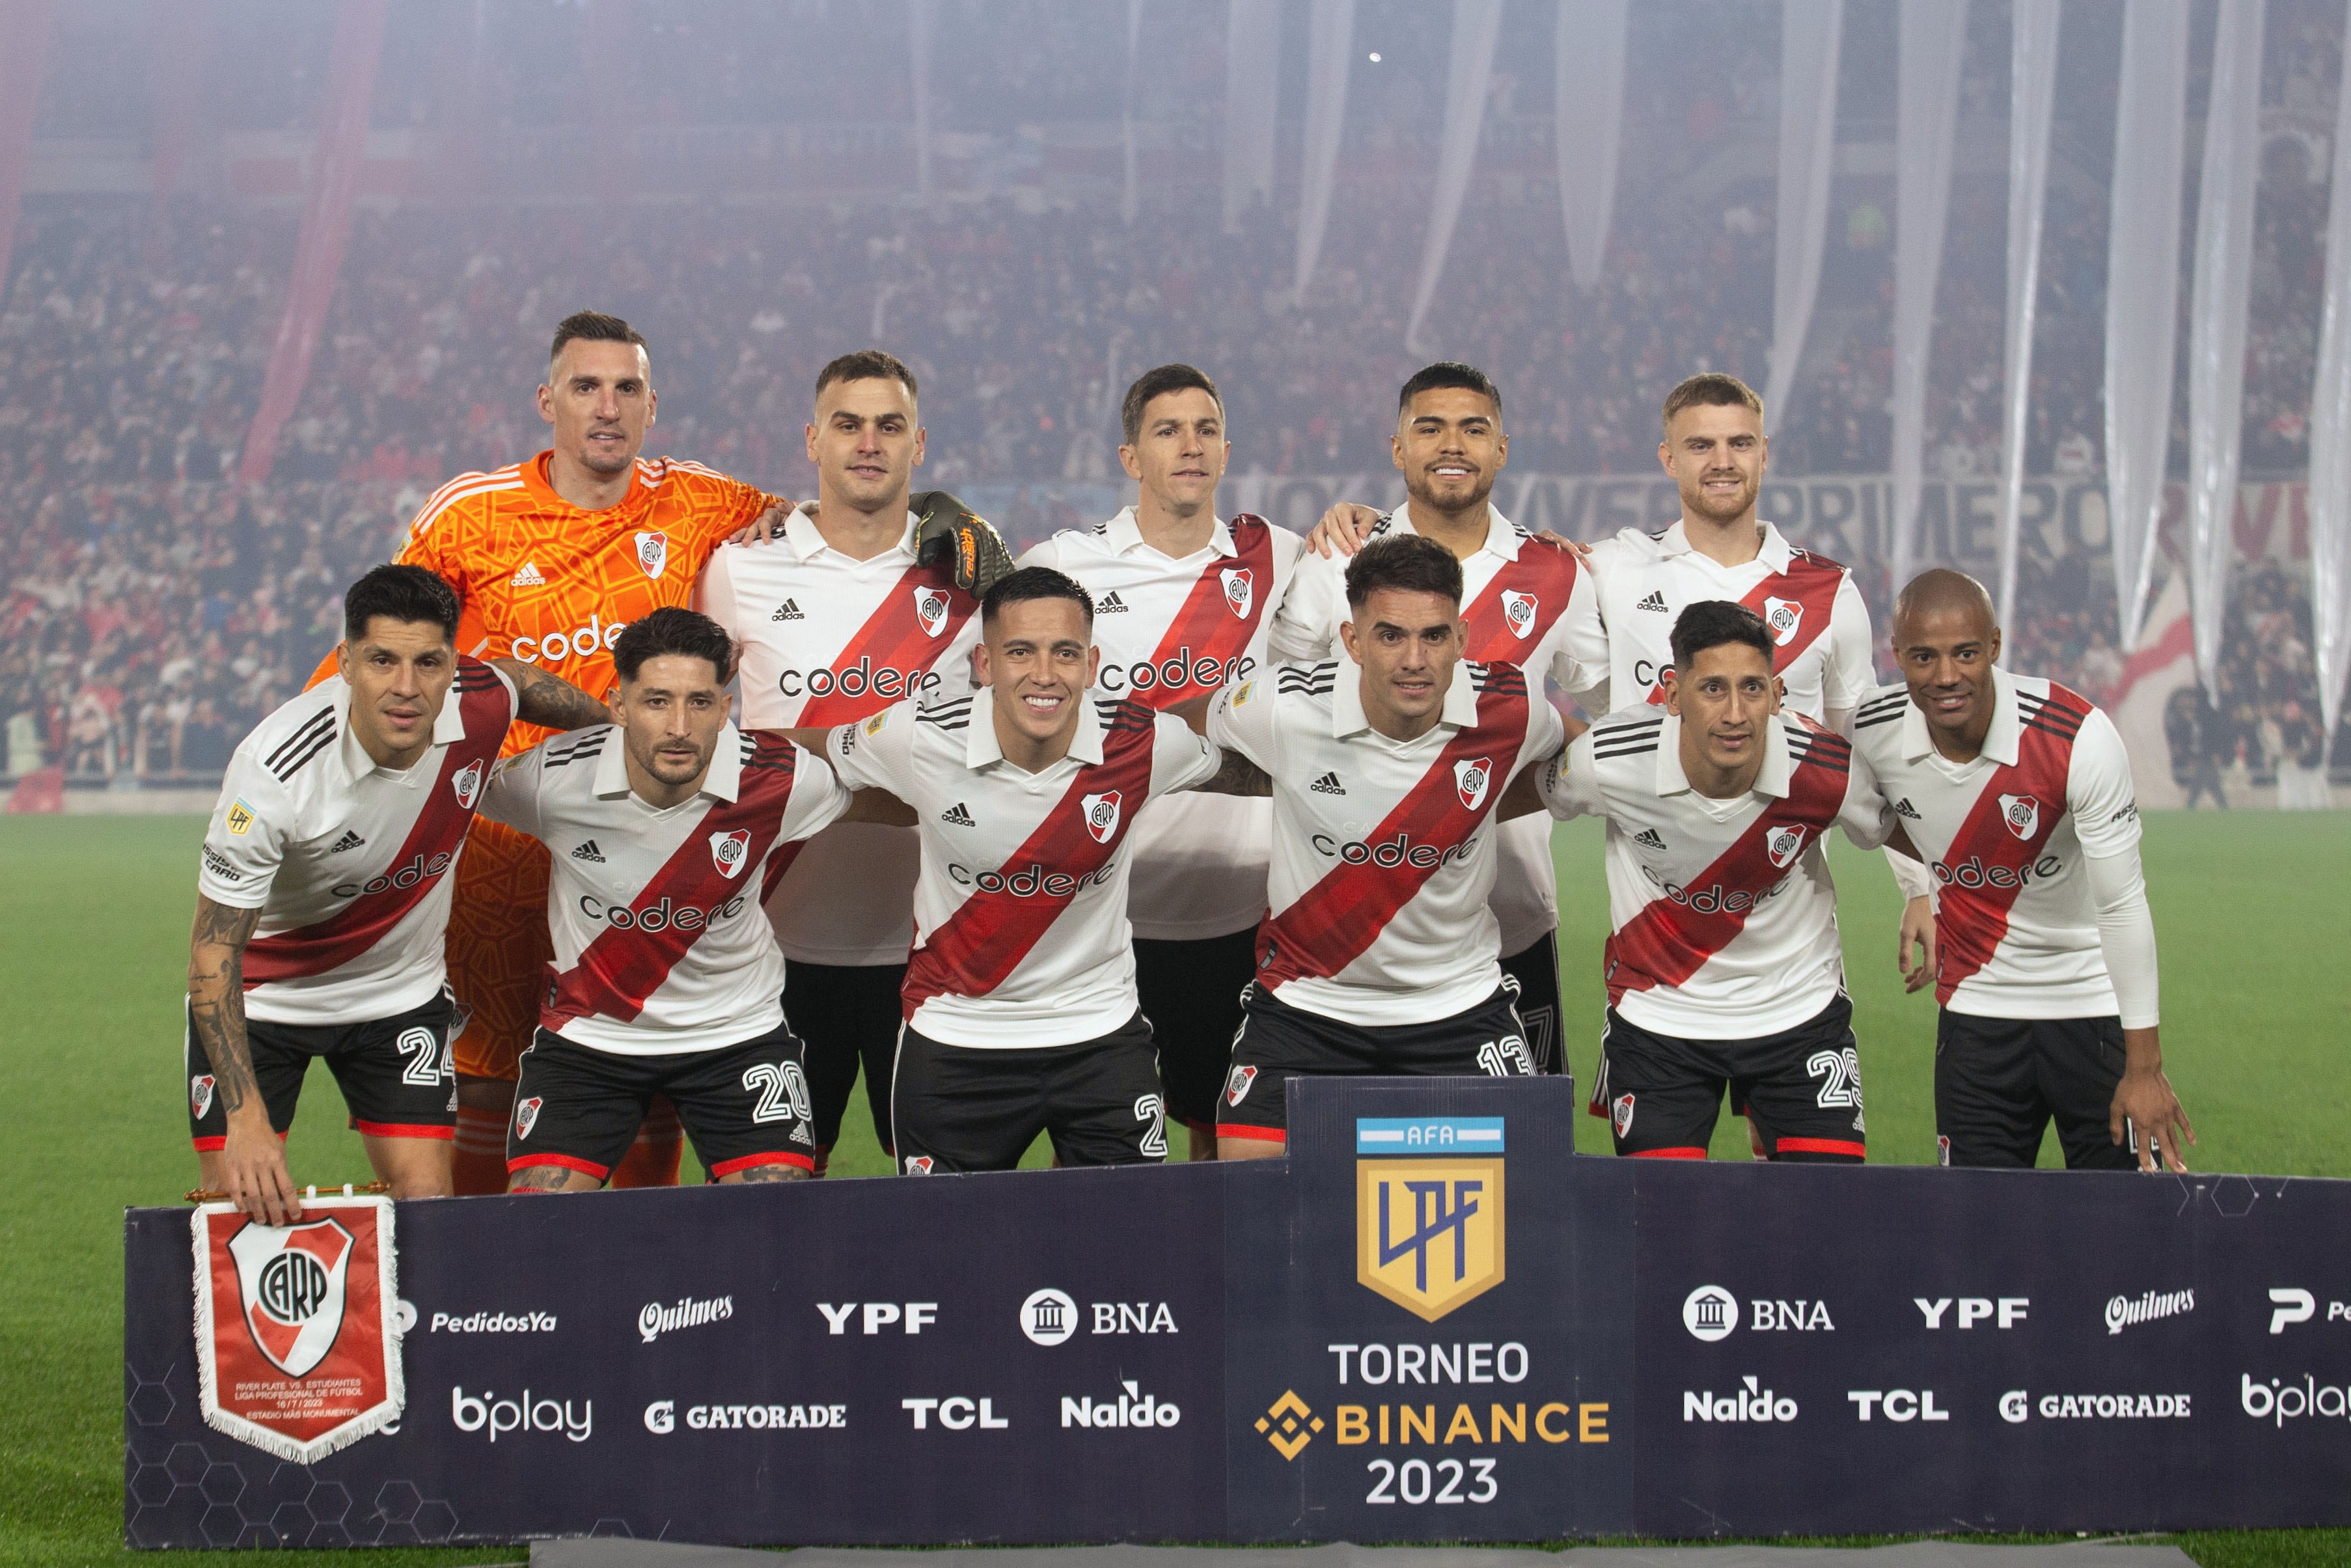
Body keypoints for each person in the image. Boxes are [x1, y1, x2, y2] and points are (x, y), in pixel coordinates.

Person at [187, 565, 611, 1223]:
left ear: (451, 665)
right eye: (382, 660)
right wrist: (245, 1121)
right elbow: (213, 955)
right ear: (348, 662)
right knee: (232, 1214)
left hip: (396, 1000)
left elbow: (516, 680)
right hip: (266, 1004)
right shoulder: (273, 773)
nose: (407, 688)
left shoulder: (475, 700)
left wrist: (615, 726)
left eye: (428, 663)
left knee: (428, 1217)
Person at [810, 567, 1255, 1174]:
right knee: (945, 1256)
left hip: (1101, 1034)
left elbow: (1259, 769)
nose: (1044, 674)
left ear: (1092, 662)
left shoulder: (1147, 742)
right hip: (957, 1039)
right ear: (985, 663)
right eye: (1020, 652)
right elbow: (805, 755)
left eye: (1065, 653)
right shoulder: (917, 737)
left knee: (1137, 1243)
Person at [696, 349, 1013, 1176]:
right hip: (776, 943)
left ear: (920, 445)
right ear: (813, 441)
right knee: (778, 1188)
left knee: (943, 1191)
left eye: (889, 425)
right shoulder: (738, 571)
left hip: (934, 945)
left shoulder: (974, 575)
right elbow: (702, 739)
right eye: (847, 424)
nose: (868, 443)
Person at [478, 608, 901, 1191]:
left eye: (700, 702)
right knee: (538, 1223)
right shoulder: (549, 781)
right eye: (656, 701)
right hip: (592, 1038)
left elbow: (905, 803)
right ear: (619, 706)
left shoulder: (780, 779)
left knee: (778, 1218)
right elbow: (440, 780)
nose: (679, 725)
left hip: (737, 1034)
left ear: (725, 711)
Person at [1269, 362, 1604, 1077]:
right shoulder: (1337, 562)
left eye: (1473, 429)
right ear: (1398, 449)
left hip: (1509, 918)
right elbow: (1276, 716)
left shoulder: (1555, 574)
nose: (1452, 444)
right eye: (1430, 428)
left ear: (1501, 448)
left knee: (1518, 1164)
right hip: (1344, 932)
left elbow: (1617, 731)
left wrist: (1486, 802)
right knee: (1323, 1165)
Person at [1017, 364, 1304, 1159]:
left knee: (1226, 1143)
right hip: (1102, 917)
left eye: (1207, 430)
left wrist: (1357, 521)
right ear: (1130, 457)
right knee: (1113, 1147)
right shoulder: (1066, 564)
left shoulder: (1278, 558)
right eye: (1168, 431)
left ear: (1226, 449)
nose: (1191, 446)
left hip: (1243, 908)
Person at [1209, 535, 1563, 1157]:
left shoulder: (1513, 707)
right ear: (1352, 641)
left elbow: (1577, 764)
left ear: (1462, 638)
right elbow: (1191, 728)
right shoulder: (1282, 705)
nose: (1414, 659)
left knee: (1520, 1200)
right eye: (1390, 635)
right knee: (1247, 1195)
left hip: (1456, 1005)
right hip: (1307, 1003)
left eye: (1433, 636)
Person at [1854, 569, 2193, 1172]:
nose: (1946, 676)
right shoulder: (1869, 731)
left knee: (2121, 1229)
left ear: (1995, 646)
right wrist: (1921, 889)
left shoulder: (2077, 736)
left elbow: (2121, 905)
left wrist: (2144, 1069)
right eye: (1924, 657)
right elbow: (1871, 819)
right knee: (1974, 1229)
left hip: (2089, 1005)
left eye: (1965, 653)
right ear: (1898, 655)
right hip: (1975, 1014)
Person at [1537, 601, 1894, 1161]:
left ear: (1778, 695)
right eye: (1712, 689)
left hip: (1797, 1012)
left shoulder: (1827, 769)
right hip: (1659, 1019)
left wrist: (1929, 893)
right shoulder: (1608, 760)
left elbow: (1902, 827)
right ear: (1674, 696)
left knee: (1826, 1219)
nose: (1735, 713)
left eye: (1752, 688)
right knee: (1661, 1224)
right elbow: (1534, 789)